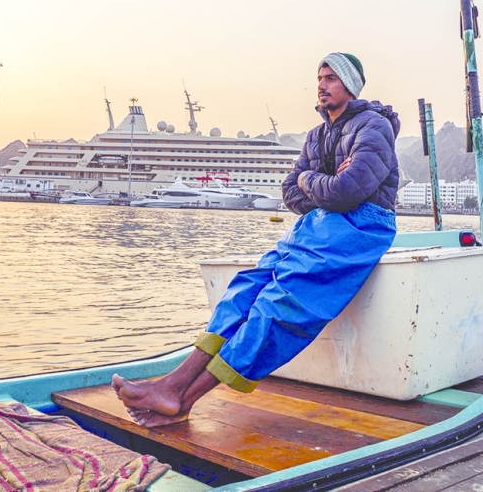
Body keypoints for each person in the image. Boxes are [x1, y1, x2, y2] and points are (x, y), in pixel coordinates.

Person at [113, 52, 400, 427]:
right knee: (245, 289)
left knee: (278, 304)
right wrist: (316, 184)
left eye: (331, 78)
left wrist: (310, 180)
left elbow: (346, 191)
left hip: (362, 227)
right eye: (320, 77)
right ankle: (171, 386)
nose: (321, 84)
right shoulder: (317, 135)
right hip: (318, 224)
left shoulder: (372, 127)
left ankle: (185, 400)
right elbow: (291, 194)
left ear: (350, 86)